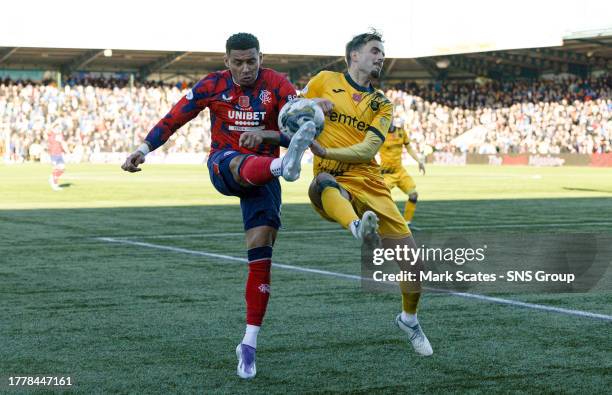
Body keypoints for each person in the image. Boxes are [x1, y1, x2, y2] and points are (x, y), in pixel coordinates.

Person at [121, 32, 318, 379]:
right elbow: (174, 117)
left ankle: (249, 343)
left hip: (265, 176)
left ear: (261, 57)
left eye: (251, 61)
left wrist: (270, 136)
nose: (245, 68)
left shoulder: (278, 84)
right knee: (234, 160)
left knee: (261, 256)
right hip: (224, 164)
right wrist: (144, 149)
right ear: (226, 61)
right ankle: (280, 166)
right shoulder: (212, 85)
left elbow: (302, 130)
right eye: (238, 62)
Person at [303, 30, 433, 356]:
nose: (380, 57)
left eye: (382, 53)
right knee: (322, 184)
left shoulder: (382, 104)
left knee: (413, 265)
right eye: (375, 51)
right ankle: (357, 227)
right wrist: (307, 105)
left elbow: (367, 149)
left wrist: (322, 147)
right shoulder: (324, 80)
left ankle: (409, 319)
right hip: (332, 176)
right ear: (354, 55)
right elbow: (290, 105)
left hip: (371, 180)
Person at [379, 122, 426, 229]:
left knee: (413, 195)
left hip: (400, 171)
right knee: (381, 198)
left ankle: (407, 223)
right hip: (386, 174)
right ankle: (382, 224)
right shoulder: (379, 133)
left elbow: (409, 148)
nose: (388, 118)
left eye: (390, 115)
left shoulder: (401, 131)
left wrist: (419, 161)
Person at [47, 120, 69, 191]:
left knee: (62, 168)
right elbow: (50, 128)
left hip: (59, 154)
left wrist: (67, 151)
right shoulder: (51, 134)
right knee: (56, 169)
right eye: (56, 128)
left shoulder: (60, 135)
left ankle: (52, 178)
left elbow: (63, 143)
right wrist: (55, 122)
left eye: (59, 128)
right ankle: (55, 185)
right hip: (54, 154)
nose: (58, 129)